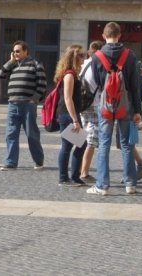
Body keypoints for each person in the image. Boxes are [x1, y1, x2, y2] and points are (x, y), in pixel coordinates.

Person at [85, 21, 141, 196]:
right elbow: (135, 85)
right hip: (126, 104)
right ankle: (130, 183)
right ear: (120, 35)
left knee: (104, 144)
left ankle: (102, 185)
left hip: (105, 104)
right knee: (126, 144)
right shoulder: (130, 56)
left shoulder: (97, 57)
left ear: (104, 36)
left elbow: (96, 82)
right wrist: (138, 110)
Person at [0, 40, 47, 171]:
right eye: (14, 51)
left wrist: (35, 99)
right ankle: (11, 162)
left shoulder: (36, 64)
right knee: (11, 134)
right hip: (13, 104)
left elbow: (42, 83)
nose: (15, 53)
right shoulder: (13, 65)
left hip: (28, 105)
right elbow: (1, 74)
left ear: (26, 51)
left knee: (31, 134)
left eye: (18, 51)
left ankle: (39, 161)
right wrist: (11, 61)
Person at [53, 45, 87, 186]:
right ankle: (64, 178)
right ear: (73, 57)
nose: (83, 58)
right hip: (68, 115)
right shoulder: (69, 75)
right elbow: (68, 99)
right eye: (80, 55)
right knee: (68, 146)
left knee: (81, 144)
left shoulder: (72, 74)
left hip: (71, 114)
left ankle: (74, 176)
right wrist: (75, 120)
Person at [79, 41, 103, 181]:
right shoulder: (98, 65)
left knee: (81, 137)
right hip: (94, 105)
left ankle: (76, 168)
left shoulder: (83, 64)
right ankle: (84, 172)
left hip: (82, 105)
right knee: (92, 141)